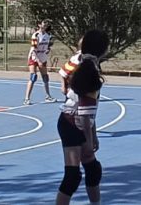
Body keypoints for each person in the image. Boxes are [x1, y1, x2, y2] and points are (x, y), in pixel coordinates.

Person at [56, 29, 107, 205]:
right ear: (104, 50)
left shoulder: (90, 64)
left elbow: (89, 111)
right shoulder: (89, 70)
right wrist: (88, 138)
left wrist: (94, 135)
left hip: (77, 121)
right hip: (71, 122)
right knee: (72, 176)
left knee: (93, 170)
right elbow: (85, 111)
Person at [23, 20, 56, 105]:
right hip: (34, 57)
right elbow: (34, 49)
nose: (45, 25)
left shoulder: (48, 35)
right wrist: (38, 61)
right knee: (33, 77)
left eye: (46, 24)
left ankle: (48, 96)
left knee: (45, 77)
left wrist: (48, 50)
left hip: (42, 57)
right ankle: (27, 98)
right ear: (39, 25)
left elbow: (48, 46)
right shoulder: (36, 35)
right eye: (43, 23)